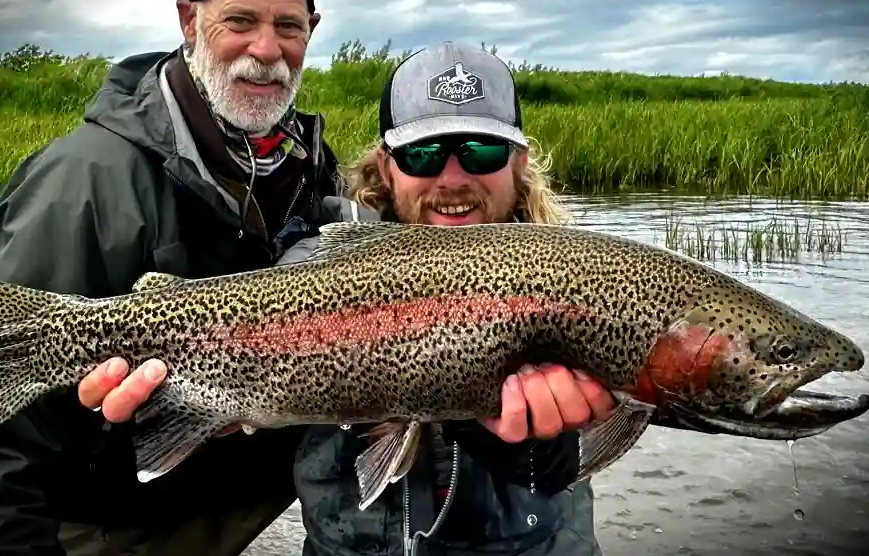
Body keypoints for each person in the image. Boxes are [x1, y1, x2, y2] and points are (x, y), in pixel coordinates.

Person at [79, 41, 615, 555]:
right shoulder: (317, 264)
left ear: (518, 163)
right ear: (386, 167)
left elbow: (572, 462)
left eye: (481, 151)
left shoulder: (578, 278)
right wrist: (146, 415)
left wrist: (534, 451)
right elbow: (234, 445)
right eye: (423, 154)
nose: (452, 178)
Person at [0, 0, 340, 555]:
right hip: (102, 527)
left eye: (288, 26)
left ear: (311, 32)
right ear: (189, 22)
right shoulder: (83, 181)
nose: (267, 49)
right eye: (240, 21)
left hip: (218, 509)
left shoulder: (303, 165)